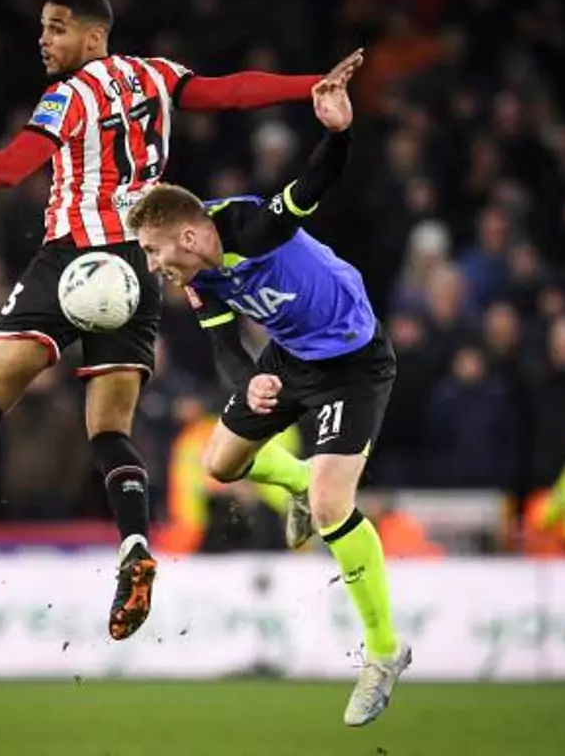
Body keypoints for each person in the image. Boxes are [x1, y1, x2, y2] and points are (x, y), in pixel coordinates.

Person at [0, 0, 348, 641]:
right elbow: (228, 90)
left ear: (93, 38)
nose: (45, 40)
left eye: (58, 29)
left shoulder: (69, 96)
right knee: (108, 431)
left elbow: (10, 170)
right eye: (42, 28)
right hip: (138, 265)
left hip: (69, 259)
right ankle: (134, 547)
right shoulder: (155, 74)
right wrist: (308, 86)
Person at [127, 52, 411, 726]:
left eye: (157, 251)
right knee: (218, 463)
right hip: (291, 357)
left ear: (191, 234)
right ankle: (300, 486)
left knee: (331, 498)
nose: (155, 265)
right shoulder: (201, 278)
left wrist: (338, 131)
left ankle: (383, 651)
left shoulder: (253, 228)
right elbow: (226, 344)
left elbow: (316, 181)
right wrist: (249, 381)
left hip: (354, 360)